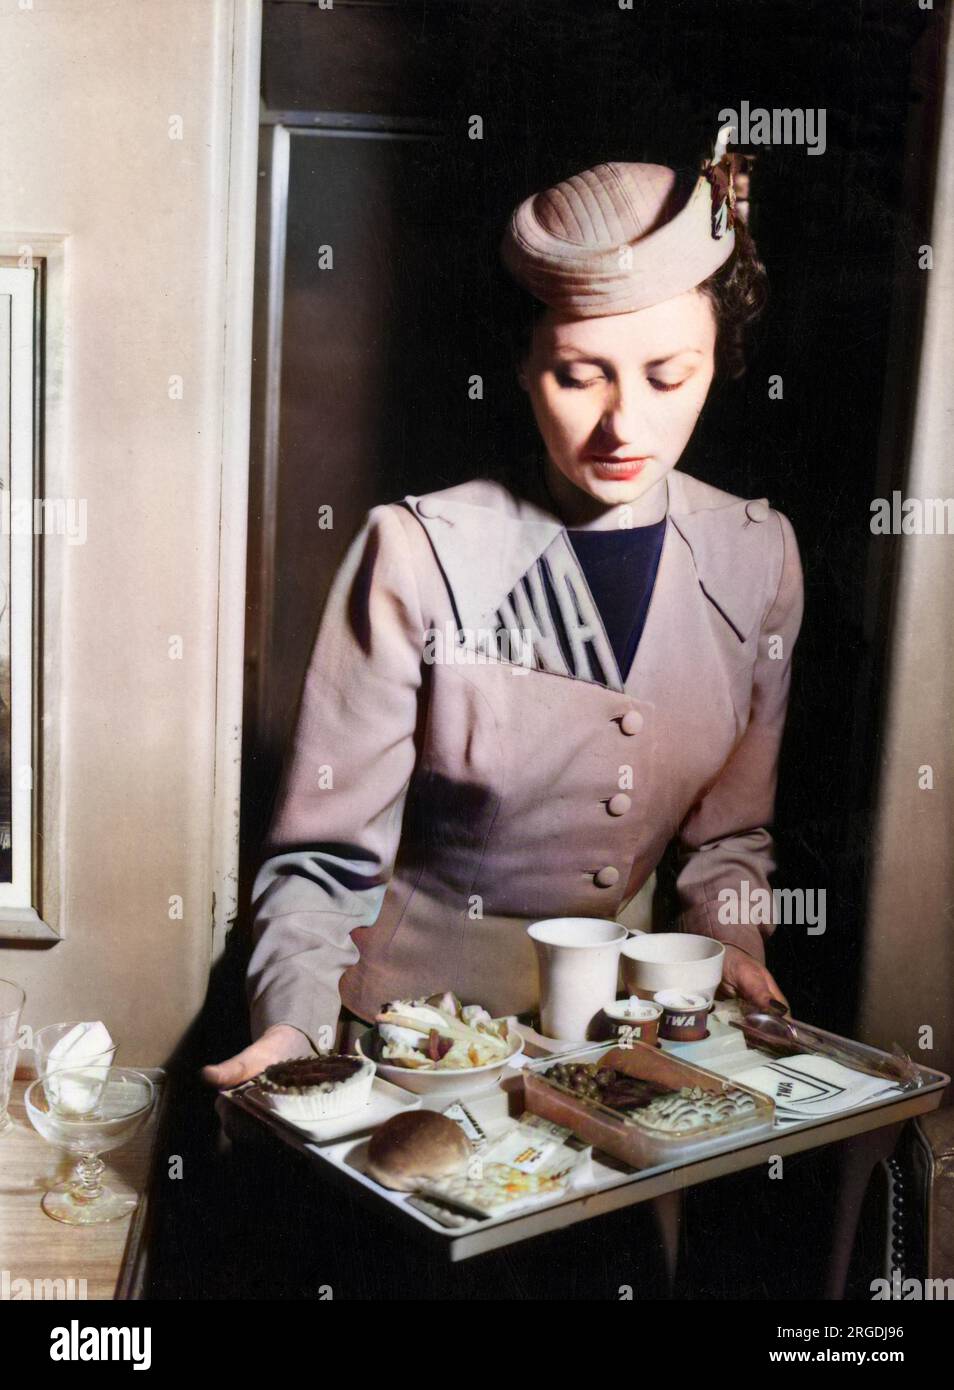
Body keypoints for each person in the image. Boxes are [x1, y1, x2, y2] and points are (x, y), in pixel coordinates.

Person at [205, 130, 803, 1089]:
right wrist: (295, 1031)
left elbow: (729, 839)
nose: (624, 426)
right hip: (409, 1053)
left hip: (625, 1051)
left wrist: (722, 945)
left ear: (718, 358)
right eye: (579, 374)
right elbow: (322, 865)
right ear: (522, 367)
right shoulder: (417, 551)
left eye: (667, 375)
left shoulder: (758, 554)